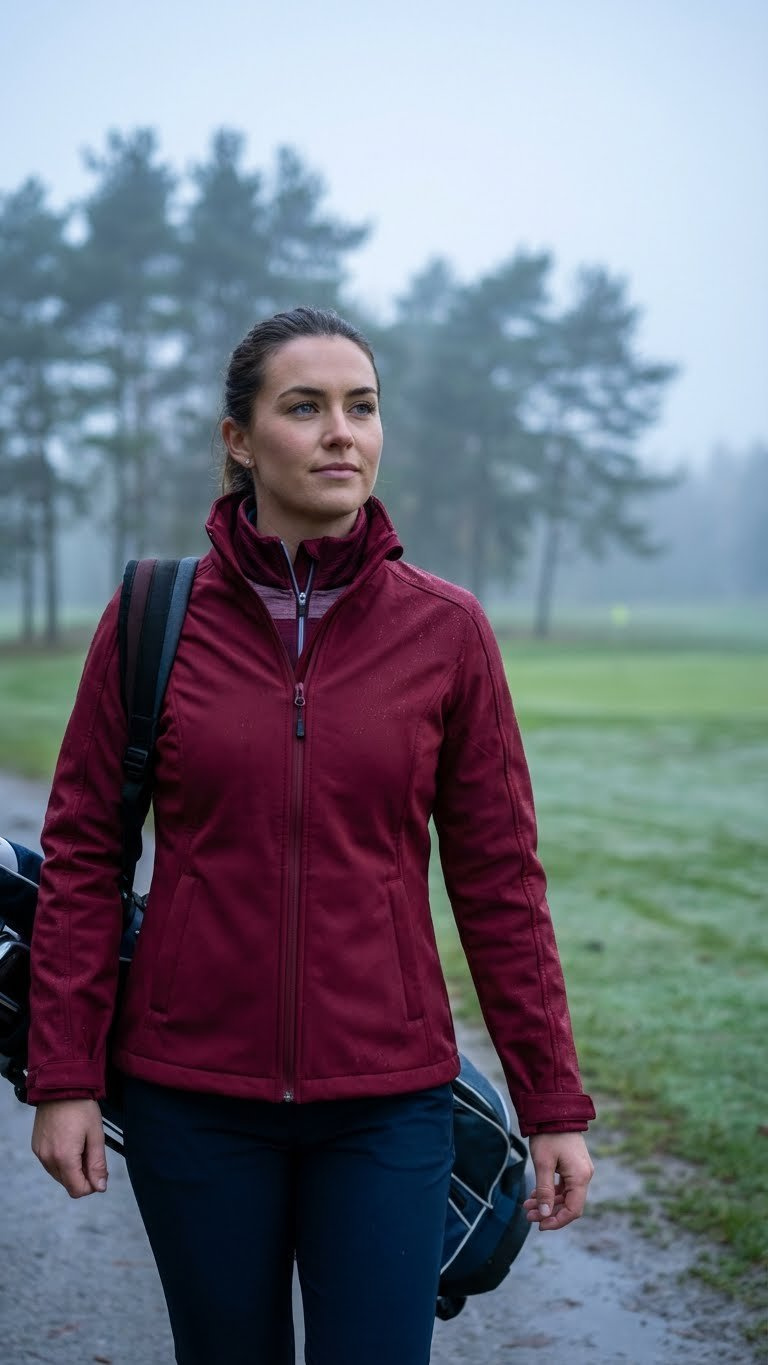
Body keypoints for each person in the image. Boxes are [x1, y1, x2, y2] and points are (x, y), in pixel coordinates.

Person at [27, 306, 595, 1365]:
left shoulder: (447, 631)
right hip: (192, 1102)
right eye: (306, 407)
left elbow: (500, 881)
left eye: (362, 407)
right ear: (239, 440)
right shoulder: (152, 615)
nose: (343, 432)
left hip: (388, 1106)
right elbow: (84, 860)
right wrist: (66, 1075)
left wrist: (551, 1101)